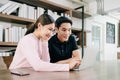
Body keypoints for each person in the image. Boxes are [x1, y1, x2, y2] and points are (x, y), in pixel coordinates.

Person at [9, 14, 80, 71]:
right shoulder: (28, 40)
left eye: (52, 31)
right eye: (49, 29)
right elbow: (38, 65)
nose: (51, 33)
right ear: (40, 26)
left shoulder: (42, 40)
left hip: (30, 74)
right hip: (16, 74)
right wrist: (67, 66)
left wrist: (45, 43)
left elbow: (46, 63)